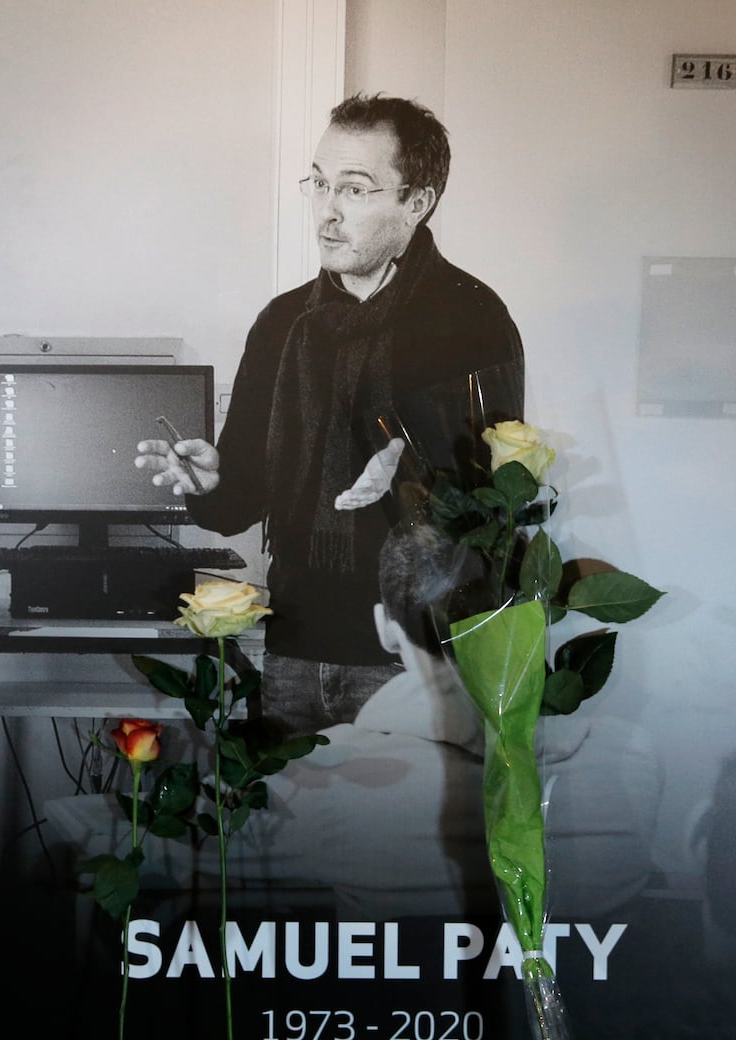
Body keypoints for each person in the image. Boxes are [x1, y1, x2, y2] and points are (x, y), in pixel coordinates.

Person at [136, 92, 526, 738]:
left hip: (417, 657)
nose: (327, 212)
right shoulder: (284, 324)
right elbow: (240, 505)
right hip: (293, 646)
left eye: (355, 189)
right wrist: (210, 482)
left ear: (417, 202)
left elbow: (496, 509)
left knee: (403, 841)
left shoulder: (472, 319)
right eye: (319, 185)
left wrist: (405, 464)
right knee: (293, 840)